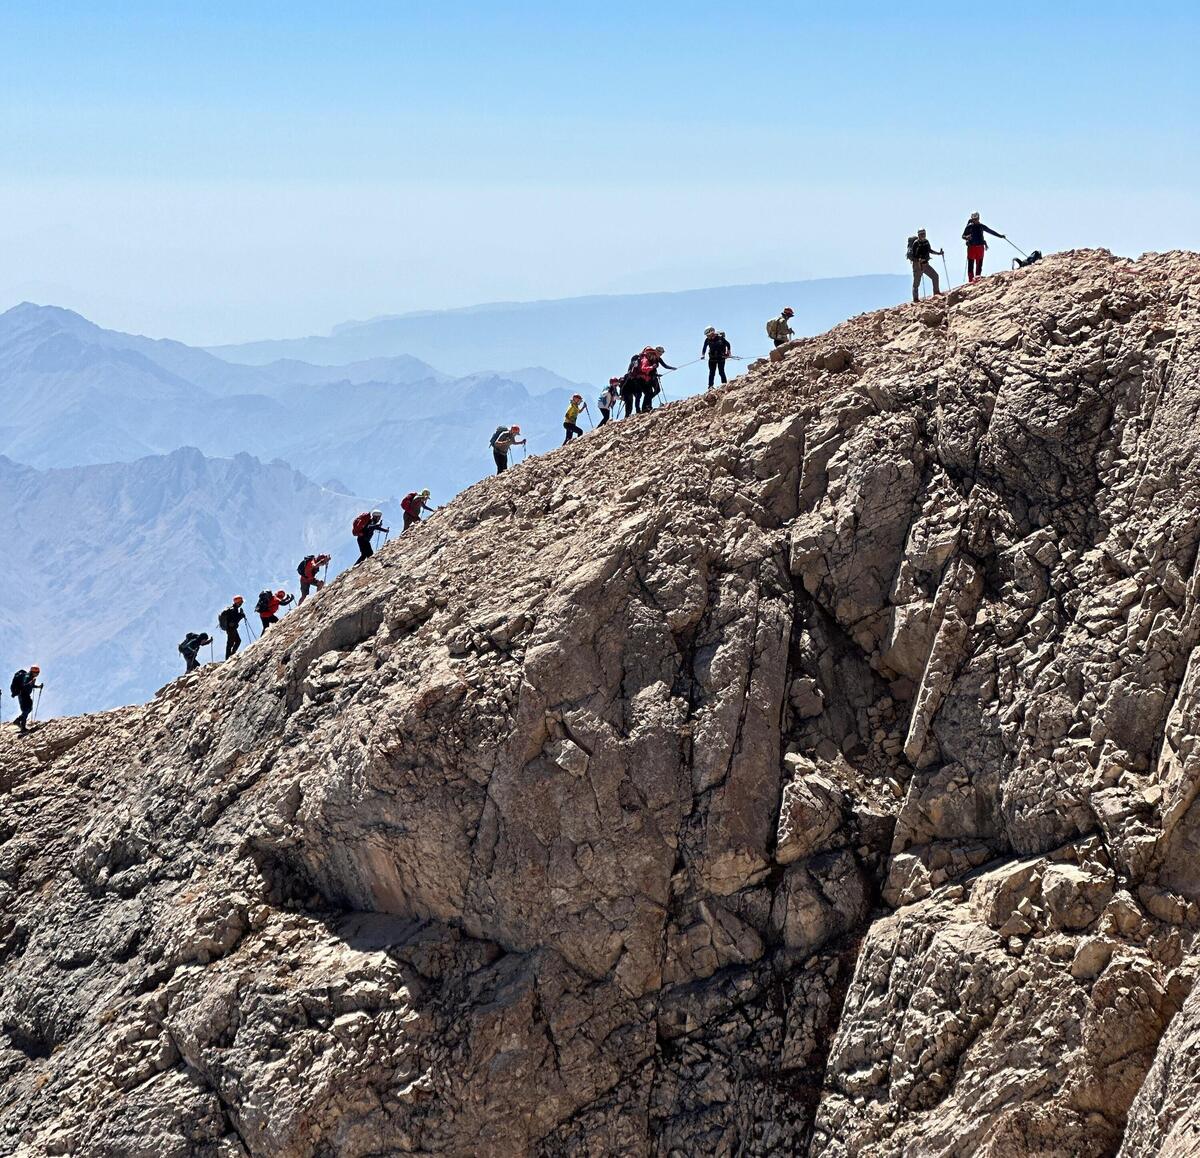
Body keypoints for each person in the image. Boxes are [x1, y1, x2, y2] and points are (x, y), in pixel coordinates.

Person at [961, 212, 1005, 282]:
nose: (975, 220)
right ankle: (970, 280)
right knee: (970, 265)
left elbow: (990, 231)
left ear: (978, 218)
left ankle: (977, 279)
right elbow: (963, 236)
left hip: (980, 248)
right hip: (972, 247)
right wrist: (967, 237)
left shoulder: (981, 226)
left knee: (979, 265)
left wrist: (1000, 236)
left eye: (976, 219)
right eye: (974, 219)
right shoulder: (969, 227)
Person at [908, 229, 944, 301]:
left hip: (925, 264)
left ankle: (936, 293)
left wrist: (938, 253)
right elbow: (914, 255)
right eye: (921, 234)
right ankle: (915, 299)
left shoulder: (926, 242)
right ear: (918, 235)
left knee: (935, 276)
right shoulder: (916, 243)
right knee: (916, 283)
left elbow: (929, 250)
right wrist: (919, 259)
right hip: (917, 265)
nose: (923, 235)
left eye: (924, 234)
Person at [641, 347, 676, 412]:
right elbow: (645, 368)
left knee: (657, 390)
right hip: (647, 377)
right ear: (656, 351)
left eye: (662, 353)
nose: (661, 354)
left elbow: (665, 366)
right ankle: (645, 407)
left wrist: (672, 368)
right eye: (660, 353)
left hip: (654, 377)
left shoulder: (658, 358)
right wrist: (652, 368)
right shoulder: (649, 357)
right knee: (649, 392)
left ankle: (647, 405)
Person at [9, 666, 42, 733]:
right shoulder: (27, 676)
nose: (37, 674)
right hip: (22, 695)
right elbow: (24, 685)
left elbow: (30, 685)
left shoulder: (30, 677)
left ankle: (19, 721)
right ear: (33, 672)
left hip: (25, 695)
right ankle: (22, 726)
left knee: (28, 709)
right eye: (36, 673)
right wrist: (31, 682)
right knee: (26, 709)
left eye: (38, 673)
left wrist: (38, 686)